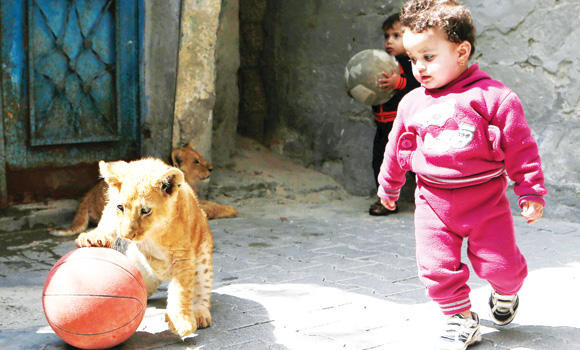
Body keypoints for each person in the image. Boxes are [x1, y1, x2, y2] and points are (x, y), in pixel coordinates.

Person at [376, 0, 547, 349]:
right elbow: (396, 147)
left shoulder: (494, 97)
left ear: (461, 52)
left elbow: (520, 146)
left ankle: (506, 292)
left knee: (501, 268)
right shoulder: (411, 102)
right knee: (436, 267)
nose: (418, 67)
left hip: (486, 201)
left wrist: (529, 191)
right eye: (413, 58)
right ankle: (460, 318)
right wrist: (389, 186)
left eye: (428, 56)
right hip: (432, 201)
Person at [368, 13, 421, 216]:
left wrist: (399, 83)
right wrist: (358, 88)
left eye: (396, 36)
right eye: (387, 36)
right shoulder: (383, 63)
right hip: (383, 127)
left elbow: (419, 87)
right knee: (381, 163)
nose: (389, 41)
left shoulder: (412, 63)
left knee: (418, 164)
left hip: (406, 127)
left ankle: (430, 200)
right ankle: (386, 199)